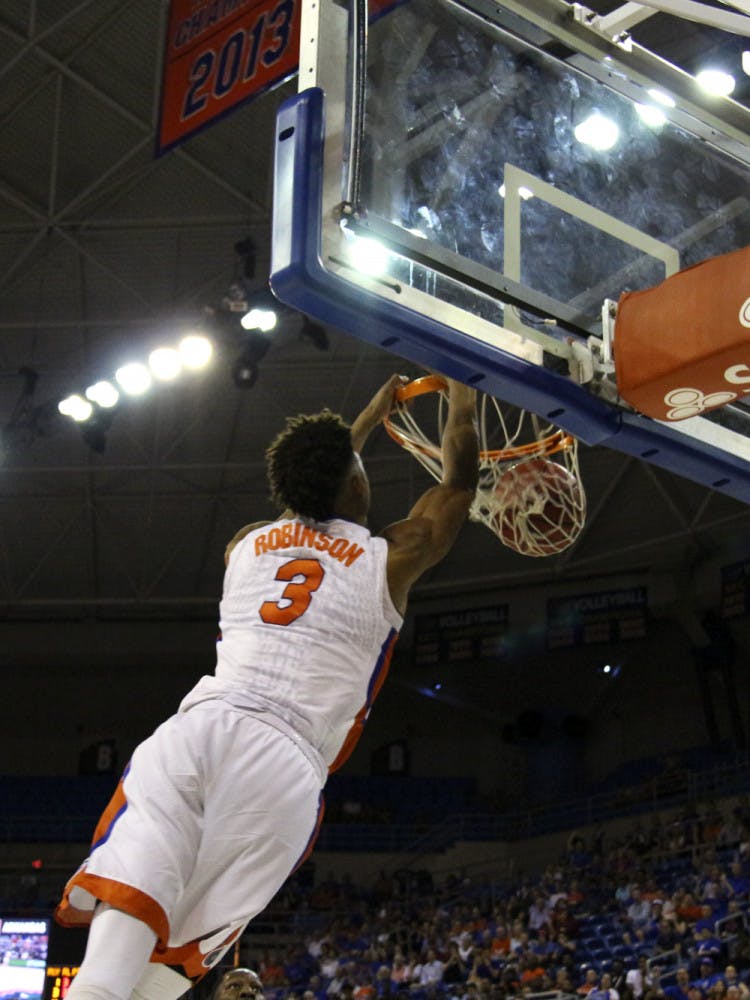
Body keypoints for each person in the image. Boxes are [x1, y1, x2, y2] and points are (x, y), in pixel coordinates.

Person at [54, 373, 480, 1000]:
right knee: (177, 962)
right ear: (359, 482)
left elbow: (305, 503)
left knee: (128, 919)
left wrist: (358, 425)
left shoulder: (245, 545)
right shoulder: (392, 554)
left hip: (197, 731)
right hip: (281, 760)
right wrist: (464, 398)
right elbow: (459, 484)